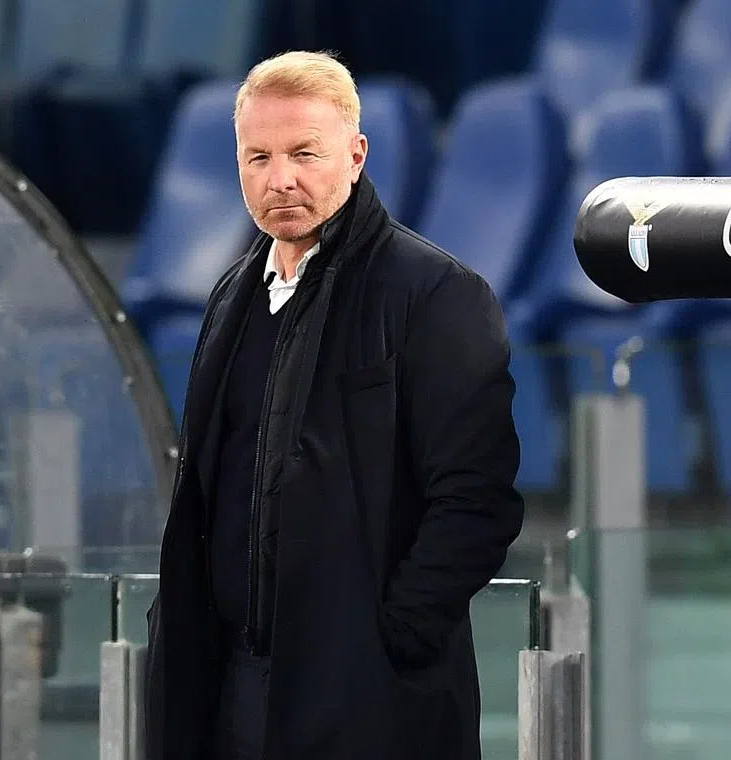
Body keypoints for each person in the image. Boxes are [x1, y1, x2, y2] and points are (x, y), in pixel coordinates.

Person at [143, 50, 526, 760]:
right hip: (228, 688)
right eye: (257, 157)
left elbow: (477, 500)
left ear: (356, 156)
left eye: (304, 154)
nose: (279, 178)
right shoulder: (230, 295)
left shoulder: (437, 293)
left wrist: (393, 639)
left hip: (365, 698)